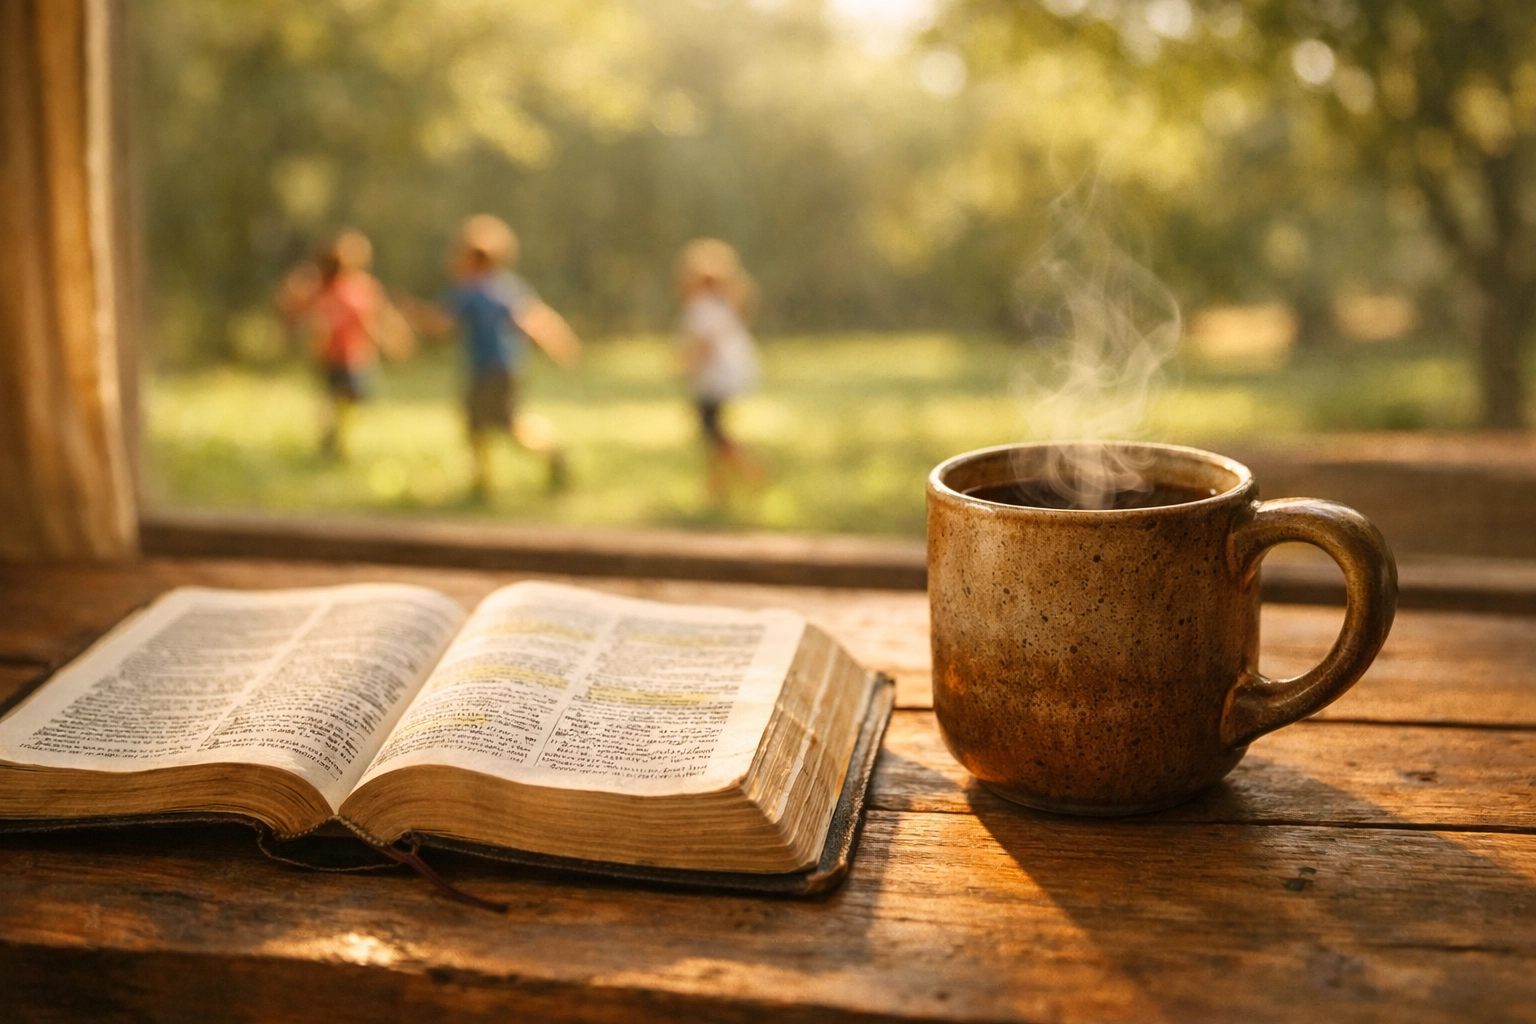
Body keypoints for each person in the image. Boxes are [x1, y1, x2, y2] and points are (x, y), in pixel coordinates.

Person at [408, 214, 581, 498]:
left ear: (473, 259)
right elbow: (536, 318)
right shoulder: (507, 287)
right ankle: (483, 479)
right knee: (478, 423)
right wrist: (561, 344)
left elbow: (444, 325)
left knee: (500, 425)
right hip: (507, 367)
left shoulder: (469, 291)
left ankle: (549, 452)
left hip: (488, 369)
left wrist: (414, 314)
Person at [277, 229, 413, 459]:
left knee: (351, 400)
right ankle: (334, 443)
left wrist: (392, 342)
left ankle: (339, 441)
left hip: (356, 357)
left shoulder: (362, 287)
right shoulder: (322, 287)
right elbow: (293, 307)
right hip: (332, 356)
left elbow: (376, 319)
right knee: (335, 400)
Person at [676, 238, 765, 501]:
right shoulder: (721, 306)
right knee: (711, 432)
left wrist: (687, 366)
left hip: (716, 378)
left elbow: (705, 345)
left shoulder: (701, 308)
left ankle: (753, 469)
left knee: (711, 431)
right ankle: (717, 486)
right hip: (730, 375)